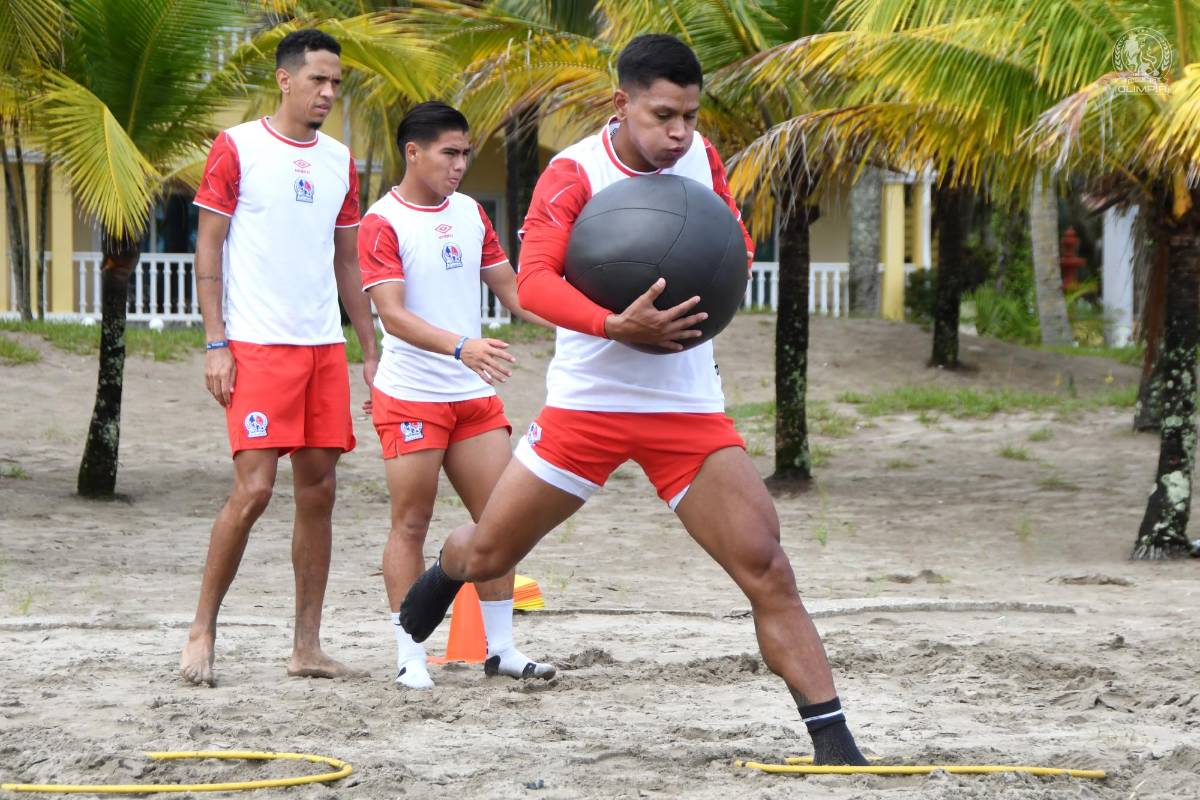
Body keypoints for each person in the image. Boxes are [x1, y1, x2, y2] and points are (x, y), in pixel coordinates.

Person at [400, 34, 867, 765]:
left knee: (767, 566)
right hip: (588, 405)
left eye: (688, 115)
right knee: (488, 548)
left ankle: (835, 741)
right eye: (662, 116)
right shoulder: (573, 170)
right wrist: (614, 323)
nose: (679, 133)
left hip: (686, 410)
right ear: (622, 104)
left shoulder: (703, 158)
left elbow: (733, 244)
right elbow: (536, 280)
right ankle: (443, 574)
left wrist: (715, 288)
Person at [179, 29, 378, 686]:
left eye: (336, 84)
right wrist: (216, 342)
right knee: (255, 491)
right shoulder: (238, 146)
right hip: (257, 347)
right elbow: (209, 247)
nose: (327, 93)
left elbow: (348, 261)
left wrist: (369, 351)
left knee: (319, 491)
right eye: (318, 80)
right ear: (284, 79)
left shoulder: (339, 161)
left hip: (322, 348)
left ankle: (307, 645)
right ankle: (202, 629)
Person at [358, 101, 556, 688]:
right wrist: (461, 346)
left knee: (500, 522)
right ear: (412, 152)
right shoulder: (382, 221)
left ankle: (502, 651)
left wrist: (598, 323)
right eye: (450, 152)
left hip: (473, 397)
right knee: (411, 524)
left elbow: (518, 294)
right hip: (412, 395)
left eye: (466, 153)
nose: (460, 164)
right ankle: (409, 655)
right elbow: (392, 316)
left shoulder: (470, 213)